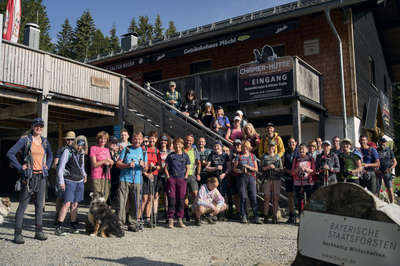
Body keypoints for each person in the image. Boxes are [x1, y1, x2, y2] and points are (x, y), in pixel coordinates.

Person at [7, 118, 53, 244]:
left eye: (41, 126)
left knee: (39, 205)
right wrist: (20, 167)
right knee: (23, 205)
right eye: (36, 125)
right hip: (28, 177)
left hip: (41, 177)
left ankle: (38, 231)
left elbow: (50, 154)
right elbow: (10, 153)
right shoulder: (25, 140)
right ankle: (17, 233)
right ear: (32, 126)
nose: (39, 128)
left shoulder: (44, 141)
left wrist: (47, 165)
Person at [55, 135, 88, 236]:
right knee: (67, 203)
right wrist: (61, 182)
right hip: (69, 180)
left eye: (82, 145)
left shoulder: (82, 153)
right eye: (78, 144)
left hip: (79, 180)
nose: (80, 147)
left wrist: (84, 175)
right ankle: (58, 226)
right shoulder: (67, 151)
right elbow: (61, 168)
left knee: (75, 204)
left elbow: (81, 167)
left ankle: (73, 225)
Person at [117, 132, 147, 231]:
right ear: (132, 139)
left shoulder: (143, 152)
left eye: (139, 139)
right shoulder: (126, 149)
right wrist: (127, 165)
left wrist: (143, 165)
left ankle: (132, 223)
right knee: (122, 202)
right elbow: (118, 164)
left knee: (135, 202)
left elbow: (146, 169)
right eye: (135, 138)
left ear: (142, 140)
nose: (137, 141)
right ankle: (120, 223)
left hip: (137, 180)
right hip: (124, 179)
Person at [164, 138, 191, 228]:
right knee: (172, 200)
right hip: (172, 179)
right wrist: (168, 177)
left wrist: (186, 177)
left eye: (179, 144)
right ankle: (170, 220)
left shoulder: (185, 156)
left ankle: (180, 219)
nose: (177, 146)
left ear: (182, 145)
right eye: (175, 144)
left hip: (182, 180)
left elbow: (188, 168)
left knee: (181, 200)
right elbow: (165, 168)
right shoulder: (170, 156)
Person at [234, 140, 261, 224]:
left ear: (249, 147)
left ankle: (256, 216)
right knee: (243, 196)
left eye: (246, 147)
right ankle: (244, 215)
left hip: (251, 177)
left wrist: (248, 167)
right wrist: (241, 171)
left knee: (253, 196)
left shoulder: (253, 156)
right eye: (243, 147)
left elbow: (256, 169)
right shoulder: (238, 156)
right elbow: (234, 169)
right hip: (242, 177)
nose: (245, 148)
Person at [52, 131, 76, 224]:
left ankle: (71, 218)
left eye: (72, 139)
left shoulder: (77, 150)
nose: (70, 141)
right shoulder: (61, 150)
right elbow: (55, 165)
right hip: (63, 176)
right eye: (68, 139)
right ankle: (58, 217)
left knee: (72, 199)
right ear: (65, 140)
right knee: (60, 197)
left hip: (73, 177)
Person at [205, 140, 230, 221]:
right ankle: (214, 214)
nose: (216, 147)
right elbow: (207, 168)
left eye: (218, 146)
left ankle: (222, 214)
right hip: (214, 179)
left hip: (223, 178)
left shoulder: (225, 155)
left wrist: (225, 174)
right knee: (214, 196)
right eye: (215, 146)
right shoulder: (211, 155)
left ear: (221, 147)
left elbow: (229, 167)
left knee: (222, 195)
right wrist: (215, 168)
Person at [260, 141, 283, 224]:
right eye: (269, 146)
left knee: (275, 198)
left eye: (272, 146)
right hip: (267, 178)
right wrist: (268, 167)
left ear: (274, 147)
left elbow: (281, 169)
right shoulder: (264, 156)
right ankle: (265, 216)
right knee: (266, 198)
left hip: (276, 179)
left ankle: (274, 216)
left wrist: (274, 168)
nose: (271, 148)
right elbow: (261, 168)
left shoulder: (277, 157)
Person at [142, 131, 160, 227]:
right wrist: (146, 173)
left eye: (154, 138)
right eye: (150, 138)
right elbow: (140, 164)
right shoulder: (144, 149)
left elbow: (159, 165)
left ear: (156, 140)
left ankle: (148, 218)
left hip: (154, 175)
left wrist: (156, 167)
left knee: (151, 198)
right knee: (144, 198)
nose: (152, 140)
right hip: (145, 175)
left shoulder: (157, 151)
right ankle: (139, 218)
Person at [292, 144, 315, 217]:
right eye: (300, 149)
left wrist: (307, 169)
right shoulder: (296, 159)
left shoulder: (311, 159)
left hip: (308, 182)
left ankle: (309, 216)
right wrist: (298, 169)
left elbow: (314, 171)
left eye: (303, 149)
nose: (301, 151)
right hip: (298, 183)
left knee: (309, 200)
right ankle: (300, 216)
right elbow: (292, 172)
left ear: (307, 150)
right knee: (300, 200)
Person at [90, 131, 114, 201]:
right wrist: (105, 161)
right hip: (97, 176)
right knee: (97, 197)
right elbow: (94, 164)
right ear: (98, 139)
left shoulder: (107, 150)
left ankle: (101, 211)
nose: (103, 140)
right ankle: (95, 212)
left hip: (106, 176)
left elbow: (110, 165)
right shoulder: (93, 148)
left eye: (105, 139)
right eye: (101, 138)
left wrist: (111, 163)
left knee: (105, 197)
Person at [183, 135, 201, 222]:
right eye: (187, 140)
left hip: (192, 174)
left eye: (190, 140)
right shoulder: (182, 149)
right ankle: (186, 214)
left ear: (193, 141)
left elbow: (199, 163)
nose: (188, 142)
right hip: (182, 175)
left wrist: (198, 173)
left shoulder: (194, 150)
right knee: (184, 195)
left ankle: (196, 213)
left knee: (195, 194)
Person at [282, 137, 299, 224]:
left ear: (296, 143)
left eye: (293, 142)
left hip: (298, 177)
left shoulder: (299, 152)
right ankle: (292, 216)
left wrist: (295, 172)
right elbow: (283, 165)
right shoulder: (286, 153)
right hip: (288, 176)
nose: (291, 144)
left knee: (299, 197)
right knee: (290, 197)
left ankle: (300, 216)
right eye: (289, 143)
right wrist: (288, 171)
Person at [377, 137, 397, 203]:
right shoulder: (376, 150)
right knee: (377, 188)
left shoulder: (389, 150)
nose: (383, 144)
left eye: (384, 142)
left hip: (387, 171)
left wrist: (390, 169)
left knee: (389, 187)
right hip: (378, 172)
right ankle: (378, 203)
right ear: (379, 143)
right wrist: (376, 169)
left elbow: (395, 162)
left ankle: (392, 203)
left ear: (386, 143)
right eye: (381, 142)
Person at [157, 134, 172, 221]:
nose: (163, 142)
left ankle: (167, 214)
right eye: (162, 140)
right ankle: (155, 213)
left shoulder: (170, 152)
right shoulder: (157, 151)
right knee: (157, 195)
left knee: (167, 195)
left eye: (165, 140)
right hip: (159, 175)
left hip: (167, 175)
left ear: (167, 142)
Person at [226, 139, 242, 218]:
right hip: (232, 177)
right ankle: (238, 211)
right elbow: (229, 165)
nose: (237, 146)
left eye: (238, 144)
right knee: (235, 195)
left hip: (241, 177)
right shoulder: (231, 154)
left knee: (242, 194)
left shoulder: (243, 153)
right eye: (235, 145)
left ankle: (243, 211)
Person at [108, 136, 121, 208]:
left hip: (116, 177)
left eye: (115, 143)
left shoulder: (118, 154)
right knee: (108, 195)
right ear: (108, 143)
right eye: (112, 142)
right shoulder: (106, 152)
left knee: (114, 194)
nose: (114, 144)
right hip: (108, 177)